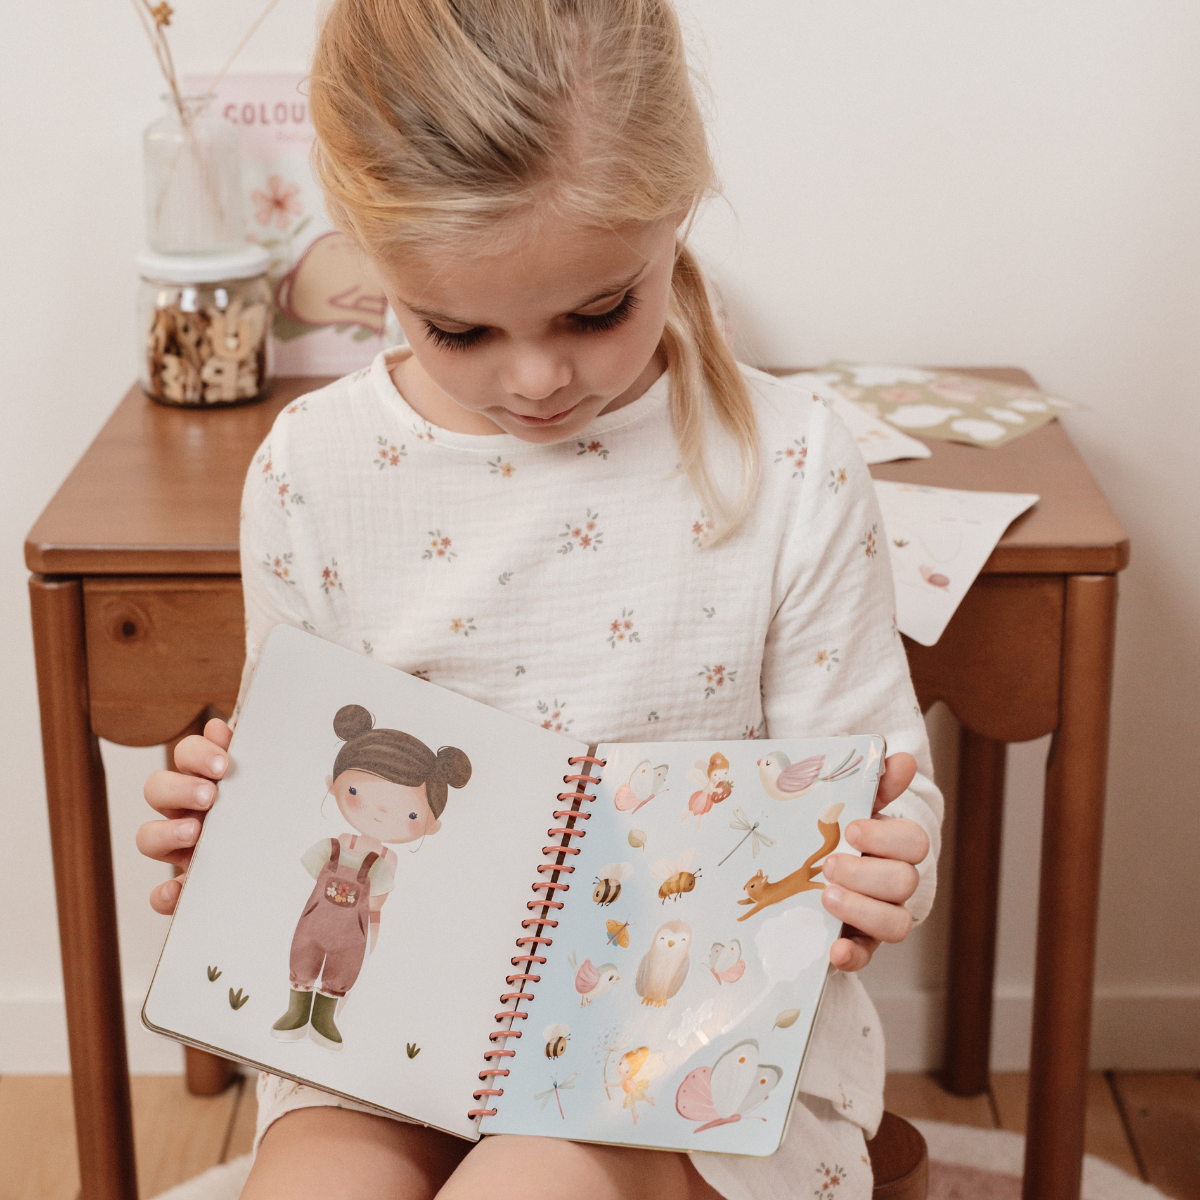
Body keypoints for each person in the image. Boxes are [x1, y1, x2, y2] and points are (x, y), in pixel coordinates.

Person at [136, 1, 942, 1196]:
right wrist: (224, 825)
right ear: (366, 253)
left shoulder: (791, 460)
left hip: (684, 1041)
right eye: (458, 330)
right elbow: (307, 763)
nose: (537, 379)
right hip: (392, 1014)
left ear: (677, 202)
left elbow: (882, 780)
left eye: (597, 310)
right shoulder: (312, 469)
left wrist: (883, 866)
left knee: (531, 1182)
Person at [270, 704, 471, 1051]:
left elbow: (376, 905)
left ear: (431, 825)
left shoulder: (384, 862)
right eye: (355, 793)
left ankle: (324, 1018)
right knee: (303, 958)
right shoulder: (331, 846)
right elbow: (300, 880)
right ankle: (296, 1011)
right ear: (333, 785)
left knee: (341, 969)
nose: (379, 814)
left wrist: (370, 937)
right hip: (314, 923)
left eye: (410, 814)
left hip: (355, 931)